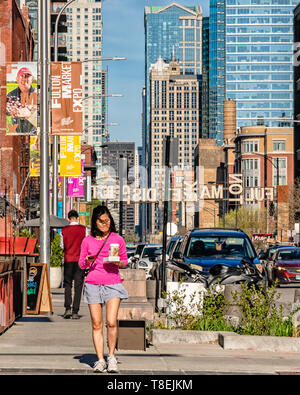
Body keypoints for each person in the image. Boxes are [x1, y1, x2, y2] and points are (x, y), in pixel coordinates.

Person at [78, 205, 128, 373]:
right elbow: (81, 264)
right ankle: (100, 359)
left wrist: (117, 262)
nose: (105, 224)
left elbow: (124, 262)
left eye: (108, 221)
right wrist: (88, 260)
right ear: (95, 222)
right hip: (93, 283)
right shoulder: (87, 241)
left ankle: (111, 356)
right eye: (102, 221)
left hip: (113, 282)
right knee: (96, 324)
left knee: (111, 322)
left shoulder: (117, 239)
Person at [61, 210, 86, 319]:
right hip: (80, 260)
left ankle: (67, 308)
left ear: (69, 218)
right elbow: (86, 245)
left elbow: (62, 246)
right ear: (77, 218)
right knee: (78, 286)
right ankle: (75, 311)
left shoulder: (64, 230)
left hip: (68, 260)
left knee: (67, 285)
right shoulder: (84, 230)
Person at [6, 66, 37, 135]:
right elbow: (4, 110)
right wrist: (11, 111)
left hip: (35, 134)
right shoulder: (11, 94)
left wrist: (32, 113)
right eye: (21, 76)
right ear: (17, 79)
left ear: (32, 79)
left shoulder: (39, 94)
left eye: (27, 76)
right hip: (17, 133)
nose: (24, 78)